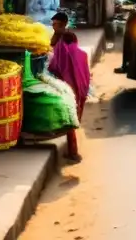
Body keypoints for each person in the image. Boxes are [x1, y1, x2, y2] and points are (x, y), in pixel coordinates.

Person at [49, 12, 91, 163]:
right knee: (71, 117)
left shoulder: (65, 39)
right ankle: (72, 151)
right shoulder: (60, 37)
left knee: (70, 118)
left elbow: (60, 62)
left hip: (69, 82)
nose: (53, 26)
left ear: (62, 24)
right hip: (72, 81)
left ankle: (73, 153)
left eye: (55, 24)